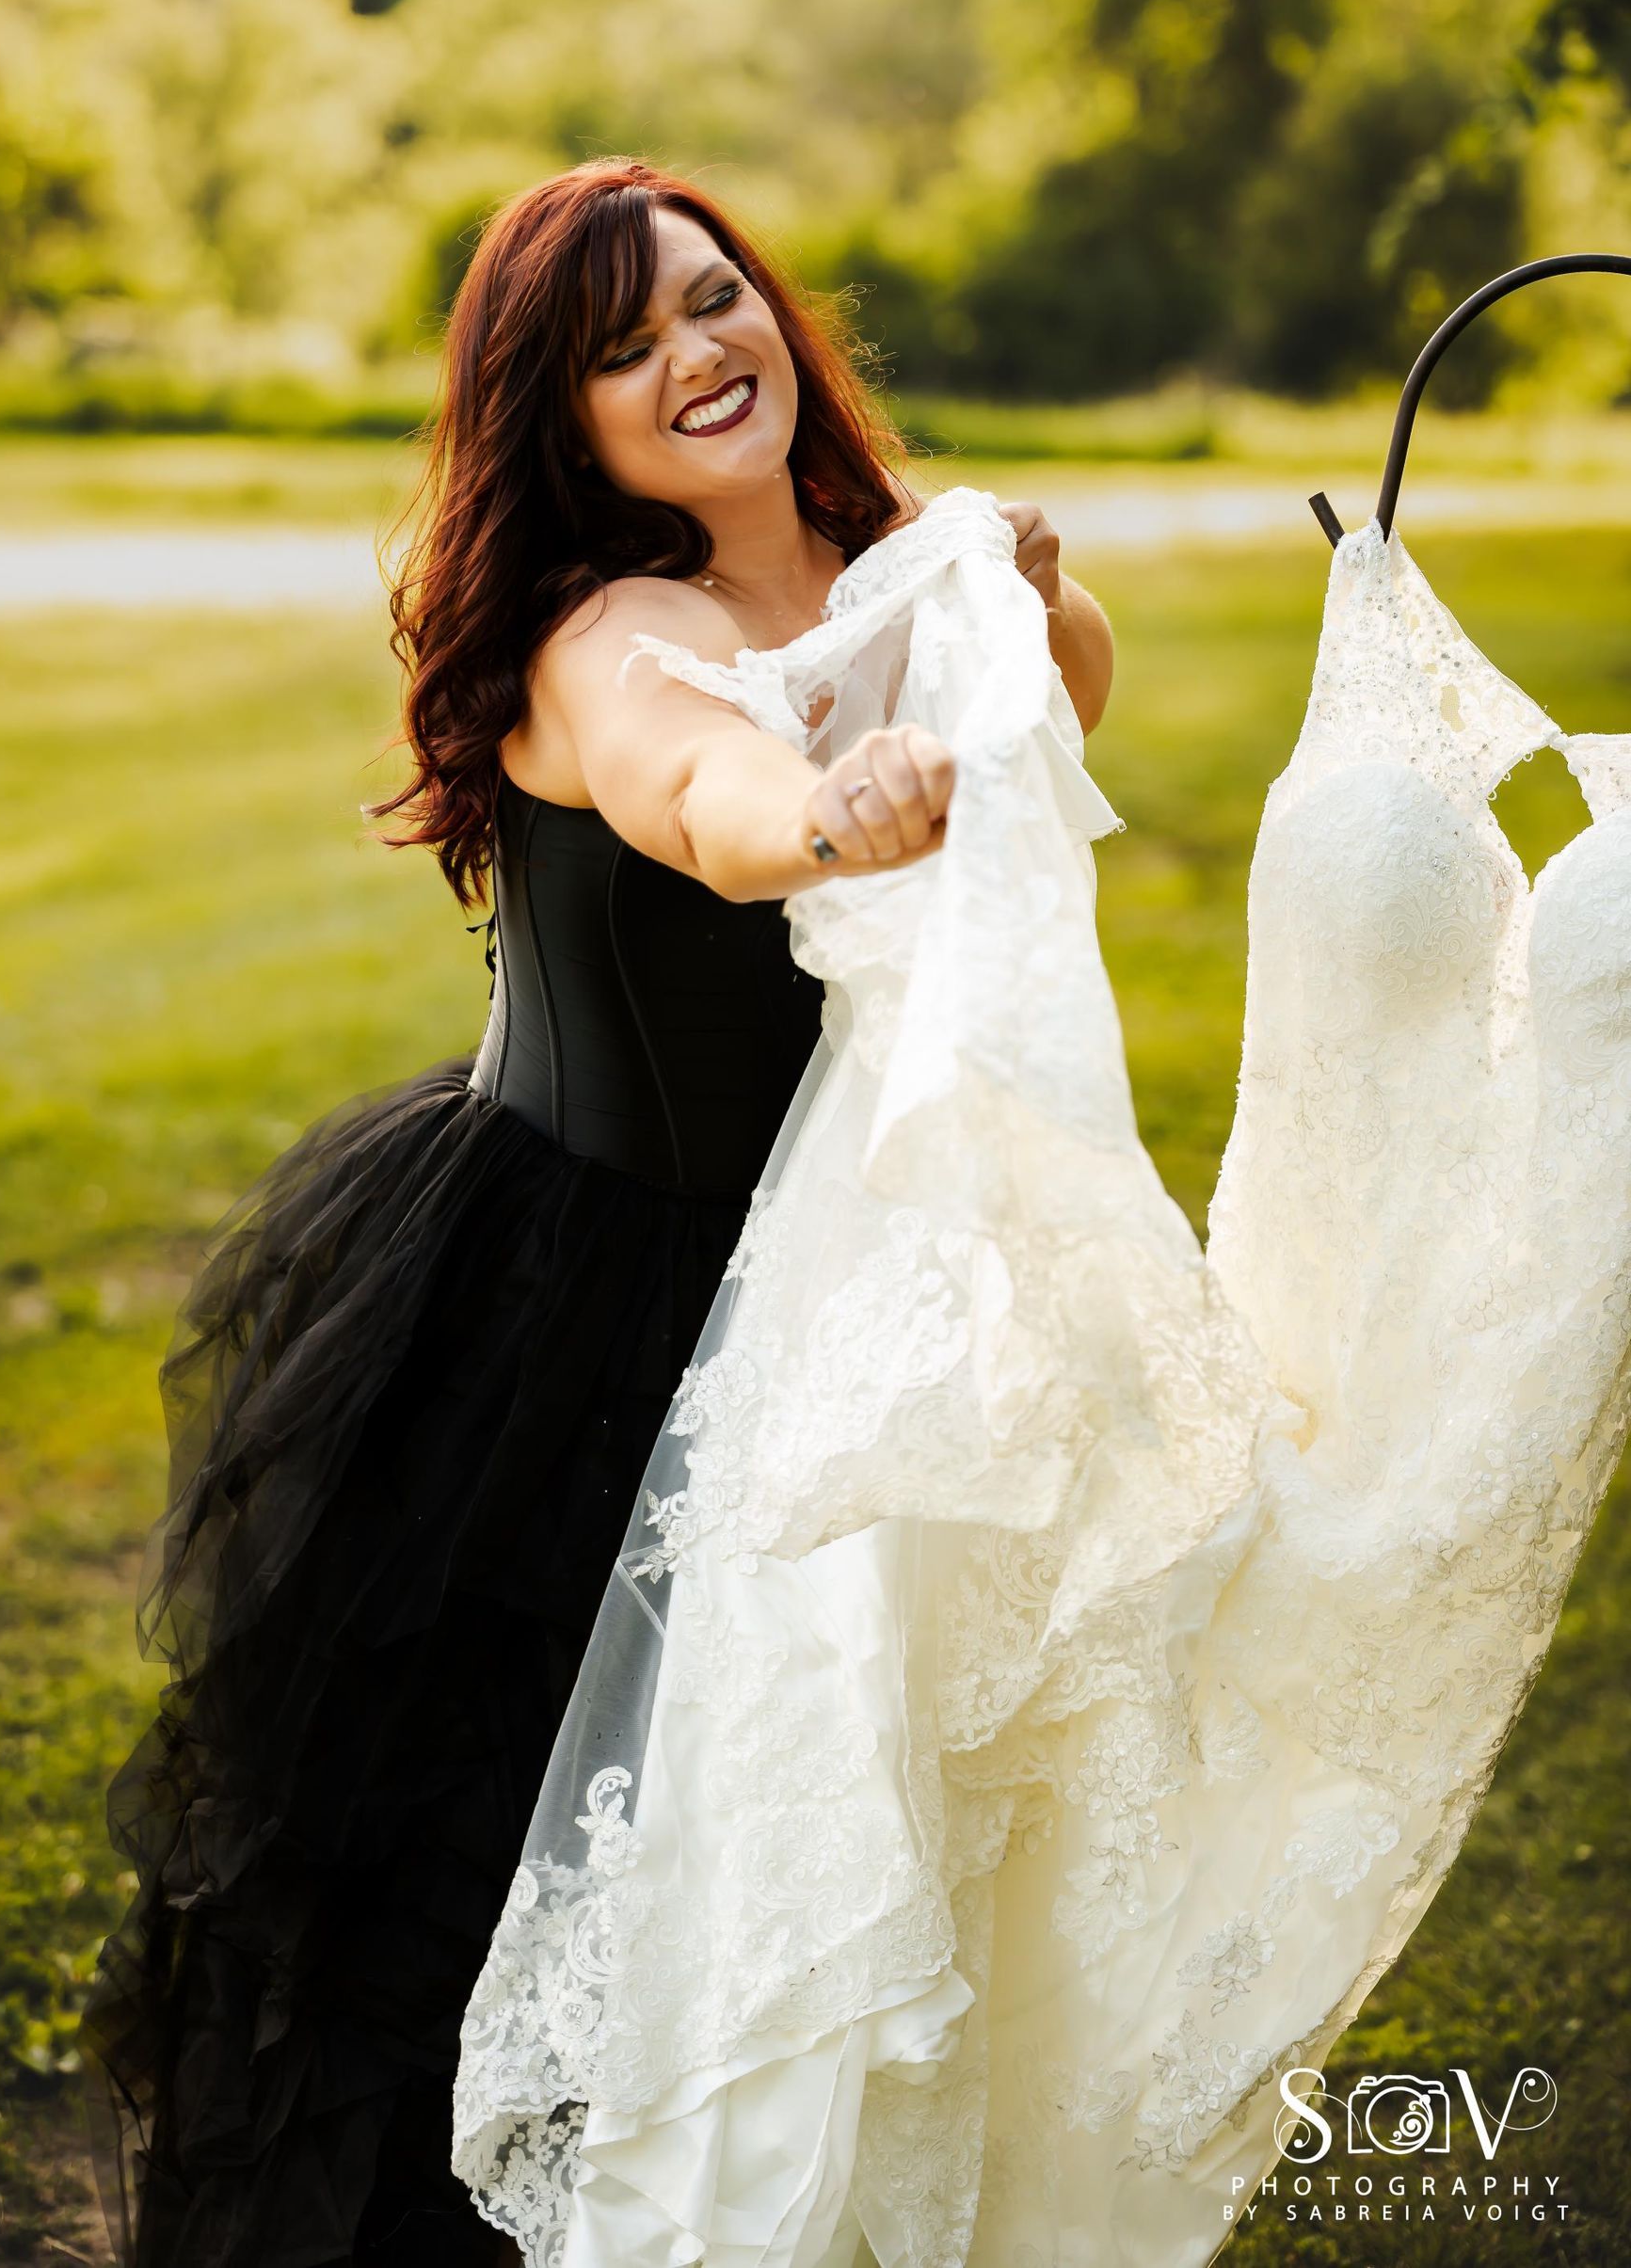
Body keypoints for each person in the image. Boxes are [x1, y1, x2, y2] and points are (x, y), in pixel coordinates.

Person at [75, 152, 1114, 2268]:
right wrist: (824, 804)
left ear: (777, 315)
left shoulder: (879, 562)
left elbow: (1062, 691)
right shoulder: (603, 638)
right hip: (564, 1321)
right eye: (623, 350)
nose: (693, 357)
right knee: (502, 1893)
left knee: (806, 1863)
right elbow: (702, 796)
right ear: (566, 425)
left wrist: (1014, 591)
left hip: (827, 1296)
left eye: (714, 301)